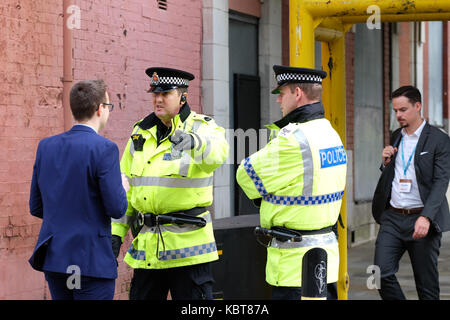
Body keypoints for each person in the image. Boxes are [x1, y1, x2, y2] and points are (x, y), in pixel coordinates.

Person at [111, 67, 229, 300]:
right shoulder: (140, 133)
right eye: (155, 93)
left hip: (189, 252)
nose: (158, 99)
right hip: (149, 250)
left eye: (165, 93)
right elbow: (125, 187)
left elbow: (219, 154)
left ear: (183, 96)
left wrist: (194, 142)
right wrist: (116, 233)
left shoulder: (202, 127)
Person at [236, 65, 347, 300]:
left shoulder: (293, 140)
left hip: (295, 267)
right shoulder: (331, 134)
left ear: (297, 93)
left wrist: (265, 196)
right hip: (325, 260)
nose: (278, 101)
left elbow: (244, 173)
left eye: (281, 93)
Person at [29, 80, 128, 300]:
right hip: (90, 259)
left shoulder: (46, 147)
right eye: (108, 107)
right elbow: (117, 208)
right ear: (99, 109)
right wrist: (121, 188)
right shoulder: (105, 149)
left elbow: (36, 207)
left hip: (56, 258)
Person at [372, 85, 450, 300]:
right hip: (393, 217)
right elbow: (394, 173)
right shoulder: (396, 135)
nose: (398, 115)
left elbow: (441, 181)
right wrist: (385, 163)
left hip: (421, 218)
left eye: (403, 110)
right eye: (395, 110)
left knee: (427, 287)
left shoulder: (439, 140)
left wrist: (426, 216)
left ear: (418, 106)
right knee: (378, 273)